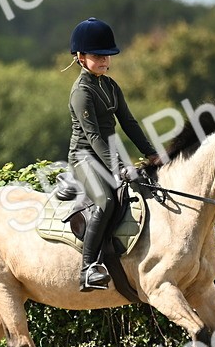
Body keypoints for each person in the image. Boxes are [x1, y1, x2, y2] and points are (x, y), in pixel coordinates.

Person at [65, 17, 158, 291]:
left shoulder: (110, 86)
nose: (104, 60)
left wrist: (153, 154)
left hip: (107, 155)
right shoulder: (81, 92)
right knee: (106, 201)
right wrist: (118, 167)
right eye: (97, 56)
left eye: (107, 55)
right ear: (80, 57)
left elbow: (129, 123)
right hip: (84, 158)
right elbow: (93, 137)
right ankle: (87, 269)